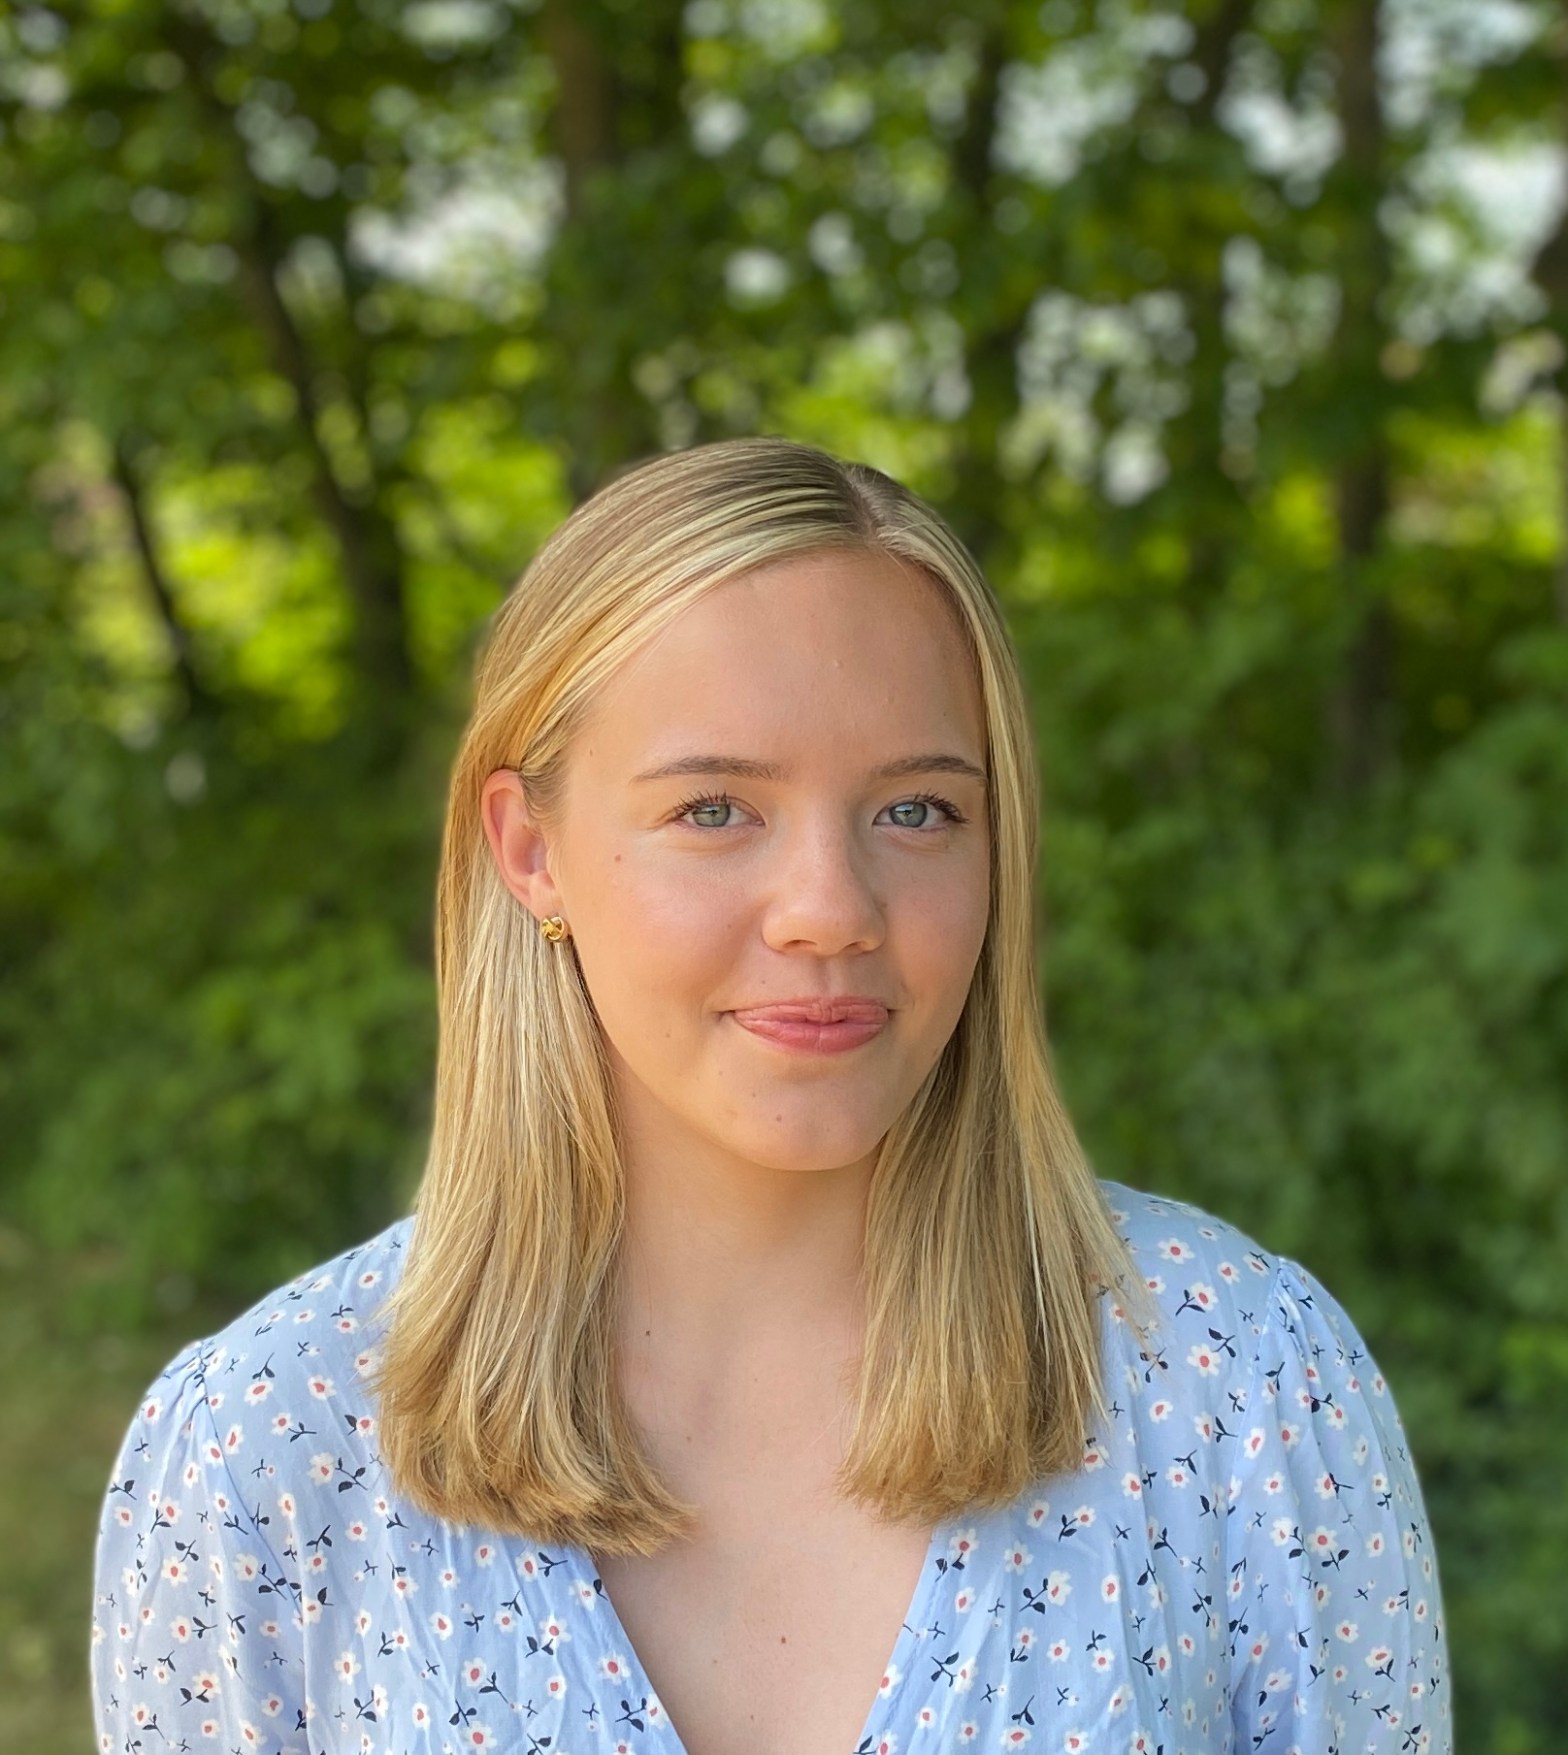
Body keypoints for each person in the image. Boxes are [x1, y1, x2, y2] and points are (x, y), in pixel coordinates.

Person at [91, 437, 1451, 1755]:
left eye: (916, 810)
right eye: (715, 810)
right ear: (531, 849)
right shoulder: (267, 1454)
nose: (830, 909)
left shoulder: (1239, 1389)